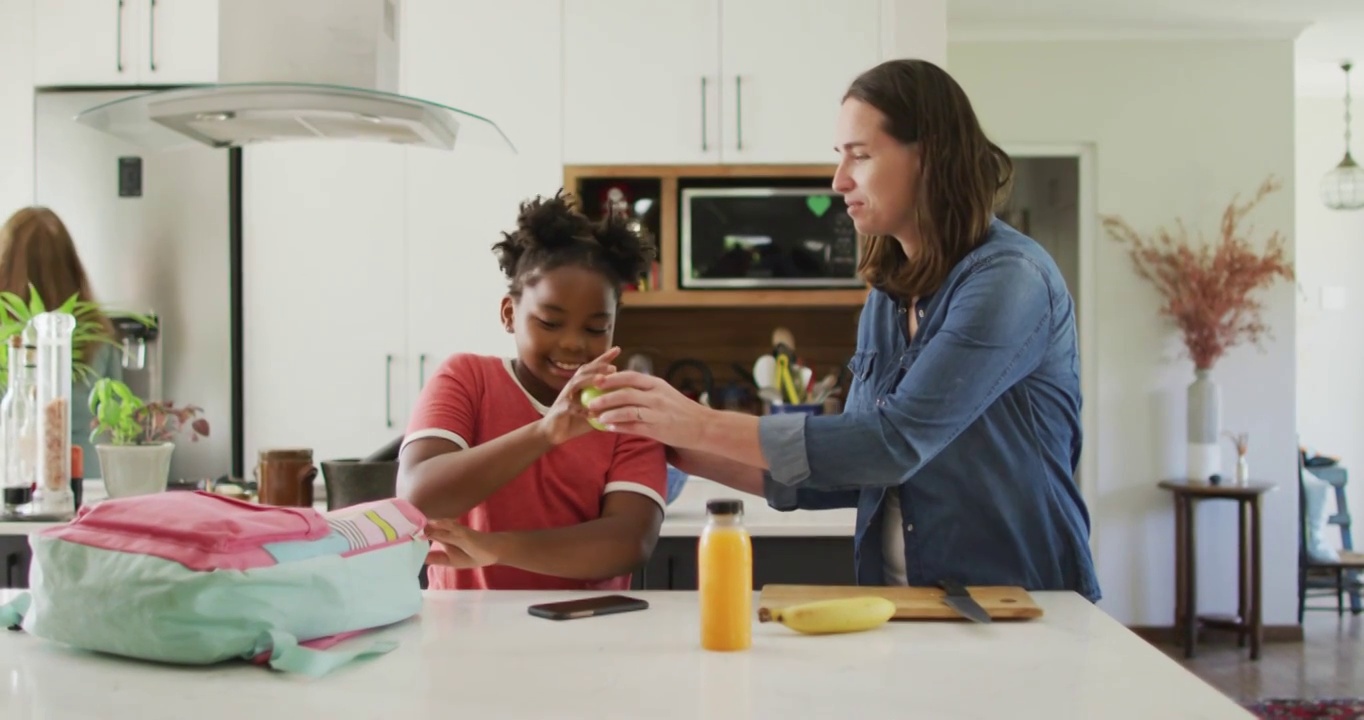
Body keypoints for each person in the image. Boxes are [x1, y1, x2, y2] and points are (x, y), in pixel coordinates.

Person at [585, 58, 1102, 602]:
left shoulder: (1009, 280)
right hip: (909, 604)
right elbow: (859, 468)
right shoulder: (888, 294)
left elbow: (892, 443)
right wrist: (674, 444)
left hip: (1025, 603)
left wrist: (698, 422)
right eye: (840, 157)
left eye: (860, 155)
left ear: (929, 157)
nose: (839, 180)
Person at [397, 191, 668, 591]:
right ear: (510, 314)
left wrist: (497, 548)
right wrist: (545, 433)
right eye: (550, 322)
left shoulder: (627, 408)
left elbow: (630, 541)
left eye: (595, 328)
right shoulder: (468, 379)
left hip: (588, 631)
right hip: (464, 632)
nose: (574, 344)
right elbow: (418, 498)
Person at [0, 206, 124, 478]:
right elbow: (118, 421)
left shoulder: (8, 339)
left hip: (15, 481)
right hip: (90, 482)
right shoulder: (98, 334)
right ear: (70, 263)